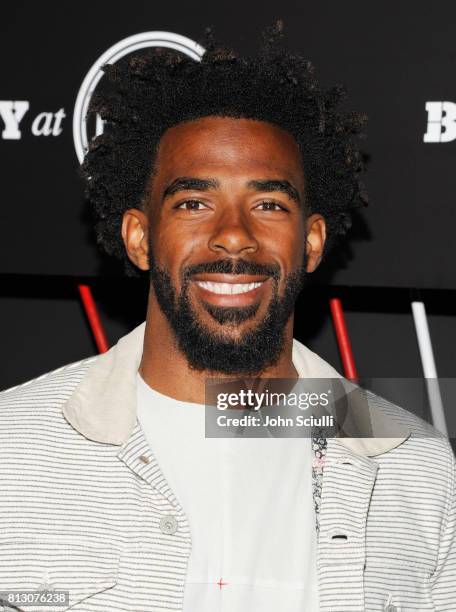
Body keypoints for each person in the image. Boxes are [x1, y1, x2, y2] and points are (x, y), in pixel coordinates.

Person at [0, 23, 454, 612]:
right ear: (139, 237)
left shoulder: (413, 467)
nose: (234, 235)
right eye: (194, 203)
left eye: (268, 204)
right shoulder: (12, 447)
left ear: (312, 242)